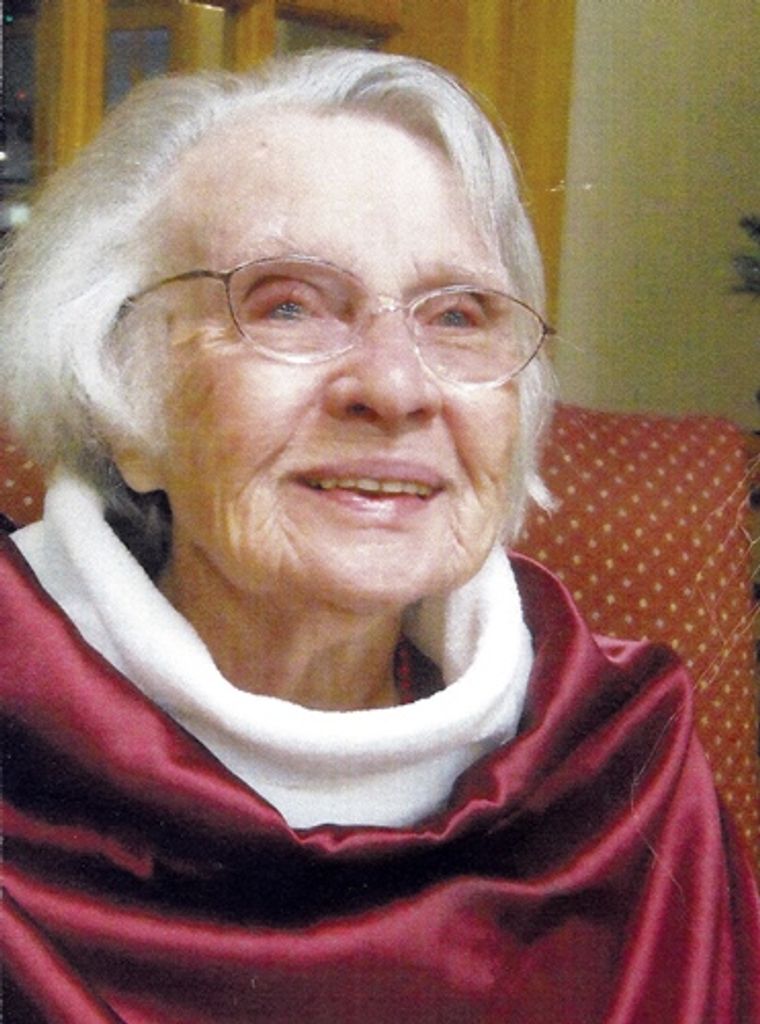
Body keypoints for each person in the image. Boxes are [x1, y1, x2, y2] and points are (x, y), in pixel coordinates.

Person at [0, 49, 757, 1024]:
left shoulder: (619, 760)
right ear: (123, 402)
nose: (397, 387)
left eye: (458, 316)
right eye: (288, 305)